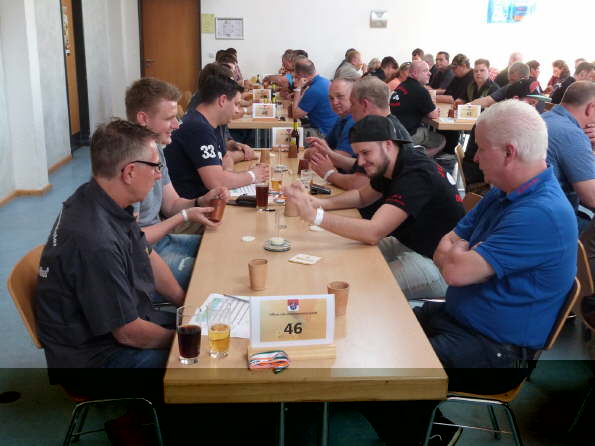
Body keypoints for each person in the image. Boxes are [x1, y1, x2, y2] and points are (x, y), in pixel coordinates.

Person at [427, 99, 577, 394]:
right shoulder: (504, 192)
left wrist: (458, 252)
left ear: (509, 153)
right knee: (388, 331)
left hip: (497, 353)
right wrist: (460, 253)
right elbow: (444, 248)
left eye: (482, 148)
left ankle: (425, 421)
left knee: (391, 365)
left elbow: (455, 272)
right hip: (459, 322)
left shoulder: (541, 213)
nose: (475, 158)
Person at [36, 119, 180, 378]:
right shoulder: (94, 241)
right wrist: (184, 340)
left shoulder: (102, 196)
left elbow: (145, 252)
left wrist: (185, 301)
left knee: (206, 329)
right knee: (205, 364)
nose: (159, 175)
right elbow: (129, 334)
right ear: (130, 172)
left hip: (123, 330)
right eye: (155, 167)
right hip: (96, 358)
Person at [284, 115, 464, 300]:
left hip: (436, 265)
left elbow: (373, 232)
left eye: (366, 153)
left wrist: (315, 216)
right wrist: (320, 204)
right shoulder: (393, 160)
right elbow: (361, 196)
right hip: (409, 244)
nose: (360, 162)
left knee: (350, 291)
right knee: (337, 257)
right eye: (358, 154)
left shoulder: (416, 173)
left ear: (387, 145)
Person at [125, 78, 228, 291]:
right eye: (169, 118)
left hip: (162, 242)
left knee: (226, 248)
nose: (177, 125)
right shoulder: (130, 165)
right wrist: (184, 217)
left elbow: (171, 204)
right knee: (217, 271)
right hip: (142, 258)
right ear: (143, 119)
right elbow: (132, 242)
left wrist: (200, 200)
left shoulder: (155, 149)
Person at [165, 72, 269, 199]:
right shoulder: (198, 127)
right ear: (222, 100)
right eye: (236, 104)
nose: (237, 110)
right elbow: (216, 182)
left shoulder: (211, 123)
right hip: (191, 205)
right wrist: (252, 175)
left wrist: (228, 176)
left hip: (206, 200)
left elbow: (225, 158)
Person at [463, 78, 546, 188]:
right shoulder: (498, 123)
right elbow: (503, 172)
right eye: (531, 103)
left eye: (536, 104)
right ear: (516, 100)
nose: (534, 109)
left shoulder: (516, 123)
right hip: (482, 183)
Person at [543, 81, 595, 230]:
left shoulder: (546, 117)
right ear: (591, 108)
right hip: (551, 223)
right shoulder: (572, 134)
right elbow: (592, 198)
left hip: (523, 211)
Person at [390, 60, 445, 156]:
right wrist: (434, 109)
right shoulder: (420, 90)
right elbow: (433, 114)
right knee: (441, 140)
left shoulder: (401, 86)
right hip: (408, 135)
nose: (430, 73)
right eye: (425, 71)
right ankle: (416, 159)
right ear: (415, 73)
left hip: (394, 133)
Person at [291, 58, 338, 137]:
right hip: (330, 129)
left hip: (323, 133)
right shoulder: (323, 81)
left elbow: (295, 114)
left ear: (301, 76)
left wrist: (298, 89)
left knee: (288, 134)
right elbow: (301, 105)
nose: (294, 80)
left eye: (296, 77)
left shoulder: (314, 90)